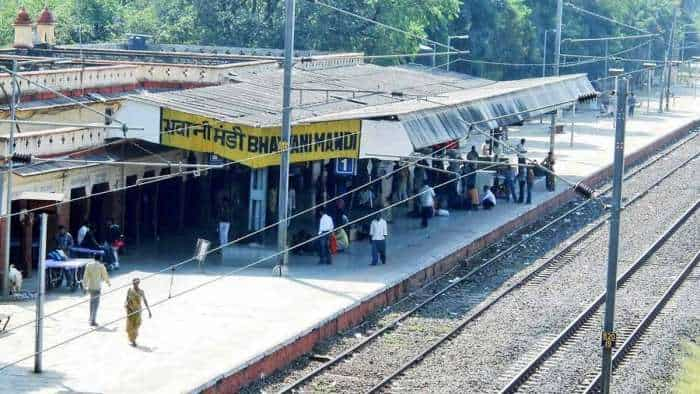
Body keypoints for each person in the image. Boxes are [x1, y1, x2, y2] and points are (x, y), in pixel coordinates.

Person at [82, 258, 111, 326]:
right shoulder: (101, 266)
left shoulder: (88, 265)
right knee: (96, 305)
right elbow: (105, 275)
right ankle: (93, 320)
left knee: (91, 303)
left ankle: (90, 318)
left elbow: (85, 276)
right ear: (100, 258)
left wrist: (84, 286)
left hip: (90, 287)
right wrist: (108, 282)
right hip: (97, 288)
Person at [125, 277, 151, 347]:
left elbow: (145, 301)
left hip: (138, 310)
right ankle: (133, 340)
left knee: (136, 325)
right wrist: (126, 305)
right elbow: (127, 299)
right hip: (130, 310)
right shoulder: (130, 290)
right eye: (134, 283)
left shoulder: (141, 291)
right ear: (132, 283)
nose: (135, 285)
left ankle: (133, 339)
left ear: (138, 283)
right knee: (130, 326)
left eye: (136, 283)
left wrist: (149, 310)